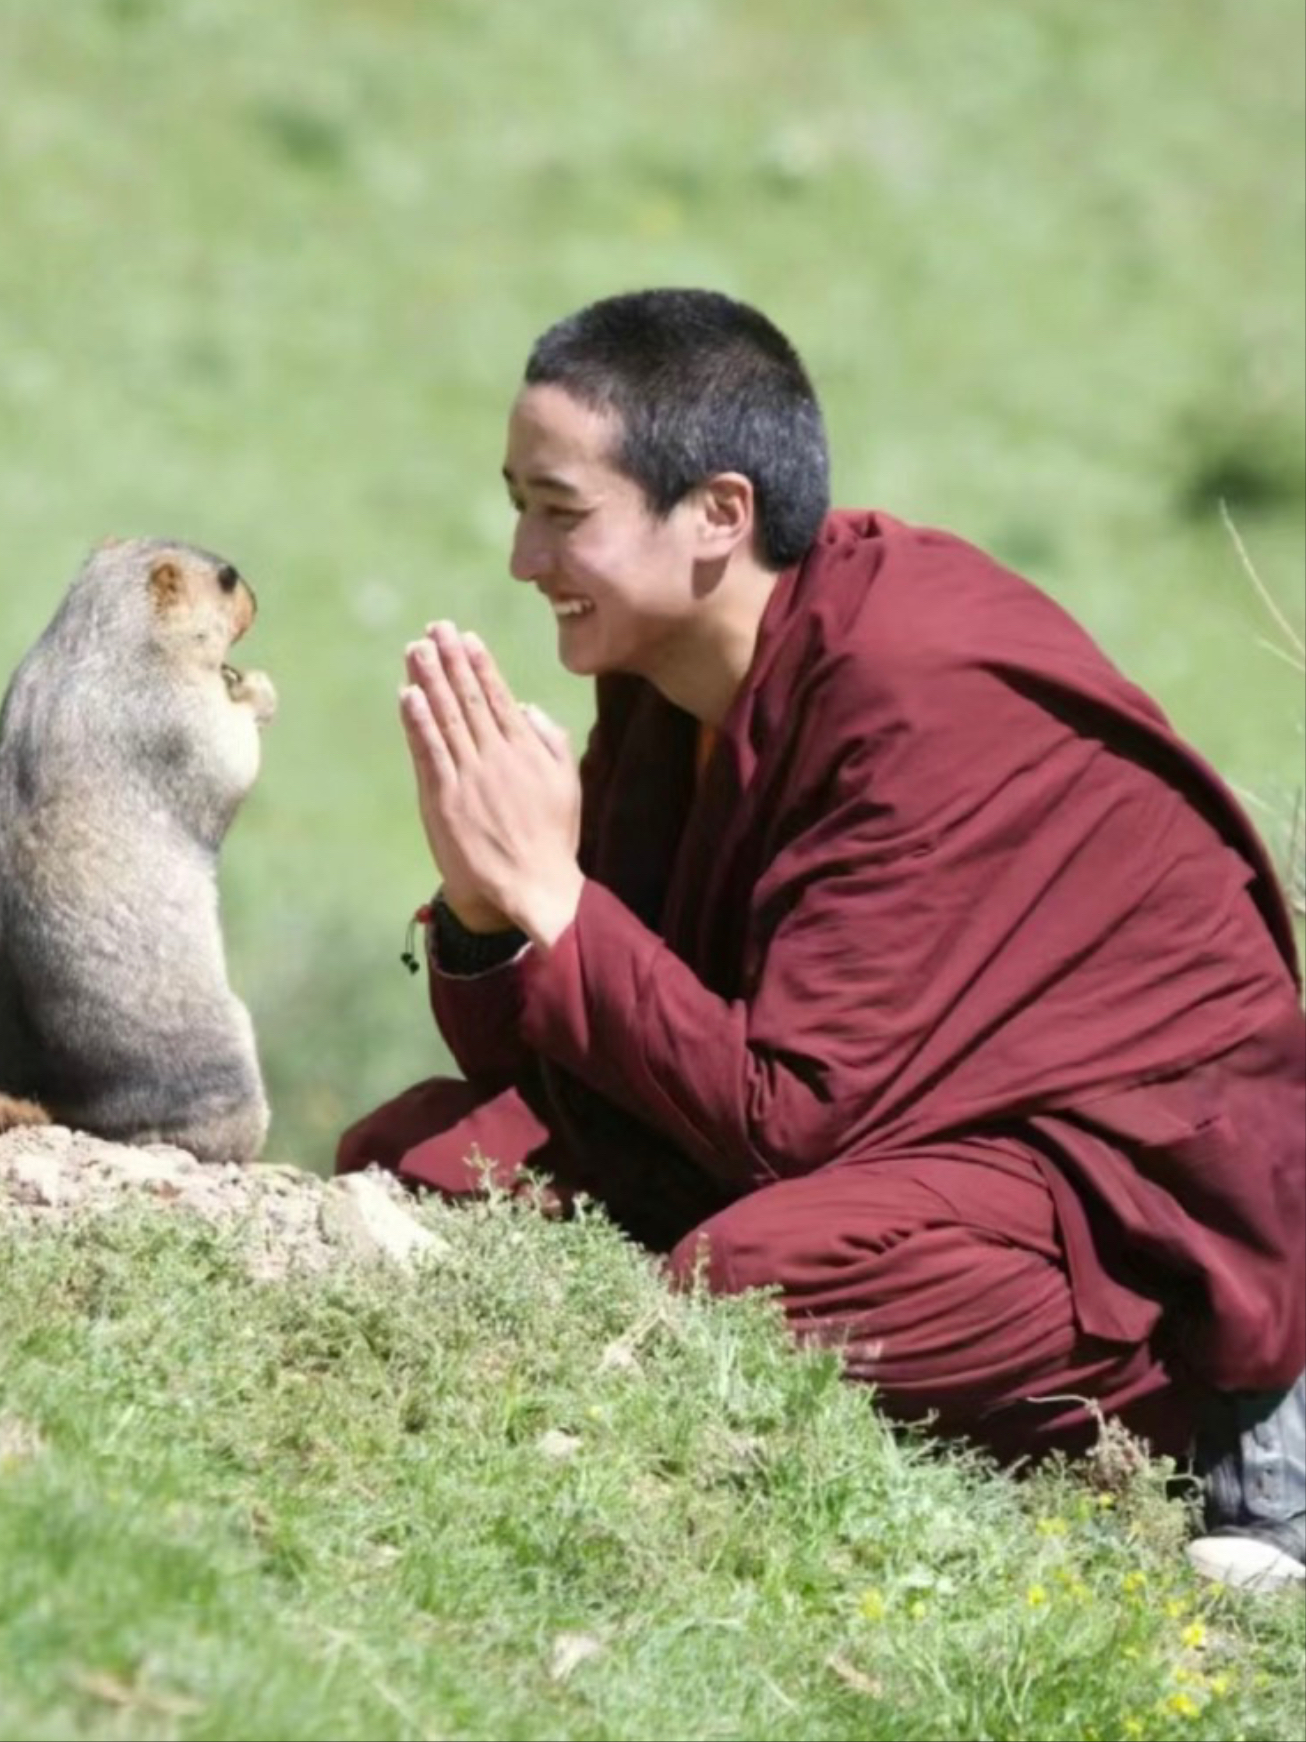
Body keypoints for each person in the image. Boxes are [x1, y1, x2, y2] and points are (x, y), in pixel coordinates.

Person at [336, 288, 1305, 1590]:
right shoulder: (664, 664)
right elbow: (587, 1040)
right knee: (423, 1146)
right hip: (888, 1130)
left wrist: (555, 900)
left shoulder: (911, 685)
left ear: (719, 517)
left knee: (758, 1273)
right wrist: (482, 911)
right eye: (517, 504)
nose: (522, 559)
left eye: (561, 513)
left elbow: (789, 1117)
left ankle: (1195, 1458)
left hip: (1118, 1211)